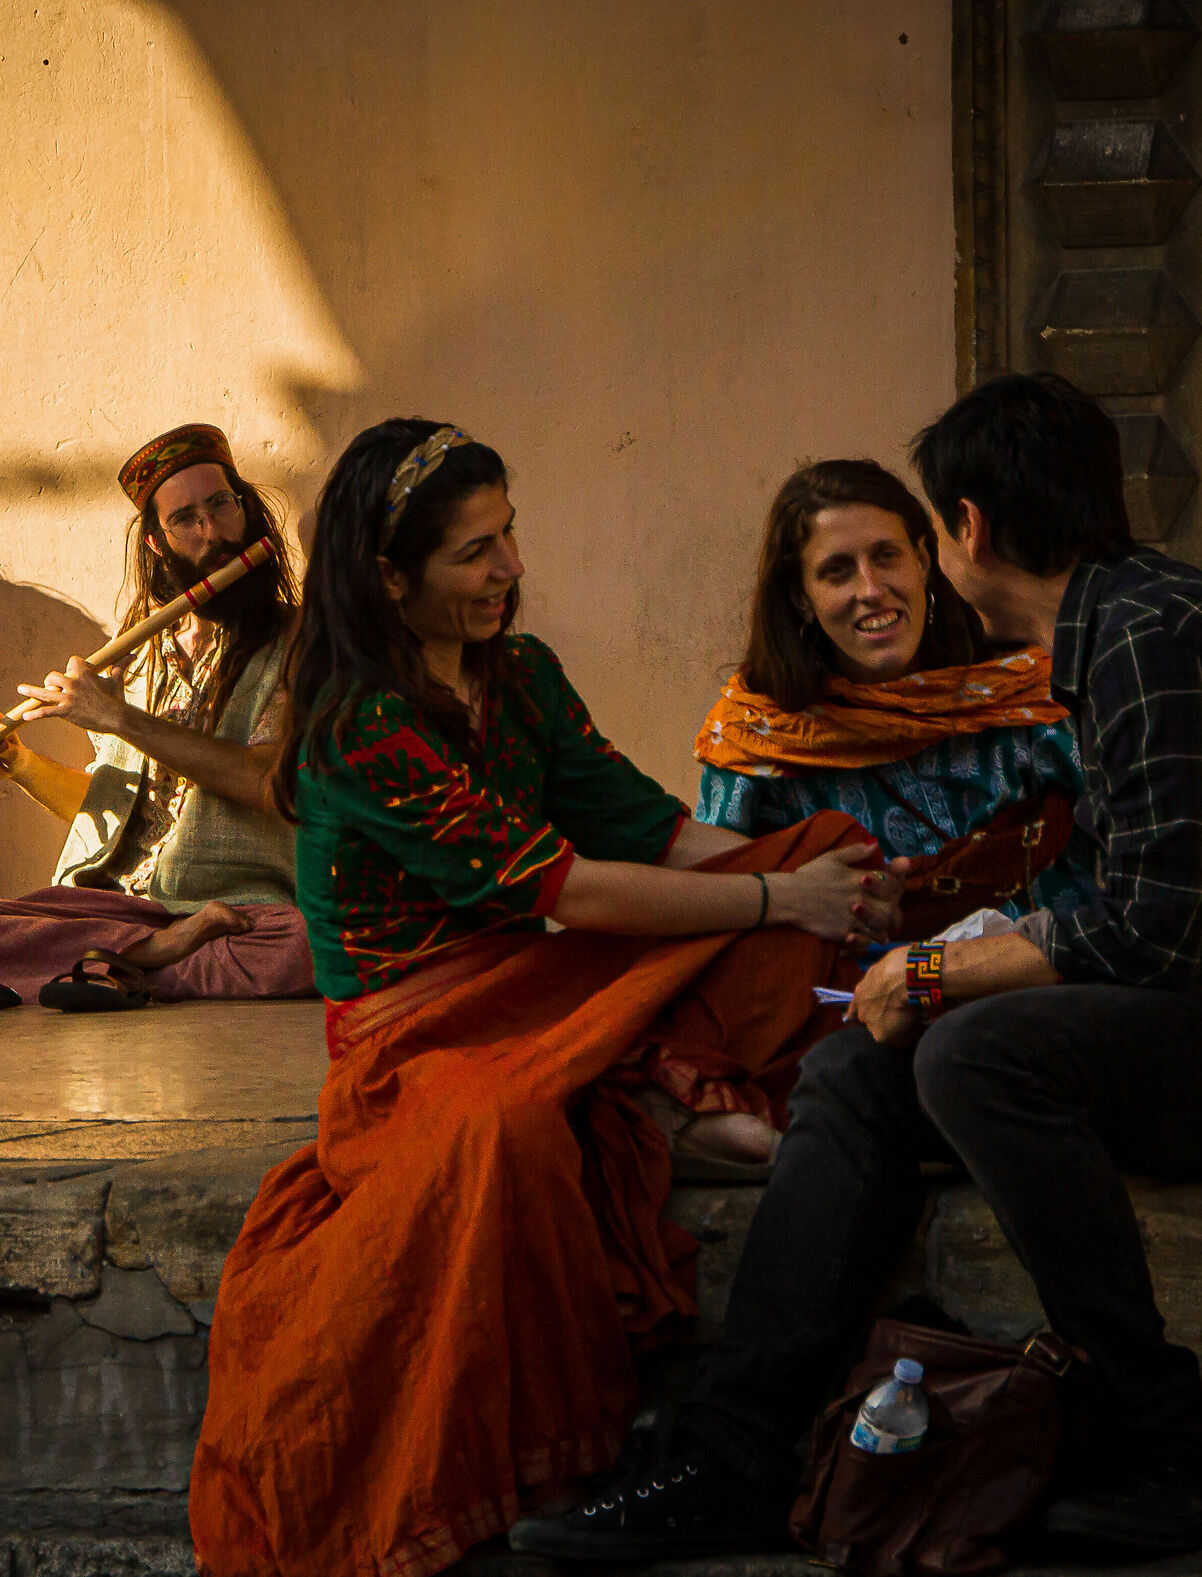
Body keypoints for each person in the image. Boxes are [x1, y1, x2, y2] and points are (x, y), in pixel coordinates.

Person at [513, 374, 1202, 1564]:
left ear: (968, 530)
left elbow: (1145, 931)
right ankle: (734, 1451)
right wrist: (924, 984)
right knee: (857, 1066)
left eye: (919, 537)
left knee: (978, 1048)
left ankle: (1163, 1443)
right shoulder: (1121, 624)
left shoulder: (1148, 642)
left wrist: (938, 976)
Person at [187, 419, 903, 1577]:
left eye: (508, 535)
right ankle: (661, 1102)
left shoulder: (523, 676)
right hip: (417, 1034)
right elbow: (561, 887)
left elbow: (657, 831)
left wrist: (837, 884)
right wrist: (778, 901)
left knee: (825, 848)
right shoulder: (355, 729)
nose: (511, 569)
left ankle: (660, 1089)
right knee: (501, 1128)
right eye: (476, 553)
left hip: (551, 980)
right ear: (388, 577)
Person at [0, 423, 312, 1006]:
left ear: (245, 510)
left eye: (221, 505)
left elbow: (269, 781)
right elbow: (110, 806)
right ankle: (141, 960)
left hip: (226, 908)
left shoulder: (296, 642)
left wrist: (119, 718)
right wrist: (21, 765)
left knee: (302, 944)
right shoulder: (142, 653)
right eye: (185, 520)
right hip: (110, 906)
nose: (211, 532)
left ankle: (79, 970)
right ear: (158, 542)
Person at [695, 458, 1096, 932]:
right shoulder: (757, 743)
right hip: (843, 999)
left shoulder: (1027, 701)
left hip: (1046, 985)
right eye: (837, 571)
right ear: (801, 597)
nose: (871, 590)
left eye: (886, 556)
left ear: (924, 562)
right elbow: (726, 903)